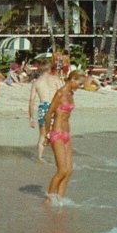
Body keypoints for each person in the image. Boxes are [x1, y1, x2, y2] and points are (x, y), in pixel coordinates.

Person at [44, 70, 85, 205]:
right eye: (79, 83)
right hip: (57, 133)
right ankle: (48, 200)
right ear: (72, 79)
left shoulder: (71, 94)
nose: (80, 86)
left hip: (67, 133)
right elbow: (49, 114)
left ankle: (59, 201)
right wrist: (47, 134)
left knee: (69, 171)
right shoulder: (60, 93)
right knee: (62, 170)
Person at [28, 61, 63, 160]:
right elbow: (61, 95)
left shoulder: (37, 82)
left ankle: (39, 157)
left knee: (42, 134)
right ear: (50, 69)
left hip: (43, 107)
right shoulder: (55, 79)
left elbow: (31, 101)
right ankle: (58, 157)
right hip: (54, 107)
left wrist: (31, 117)